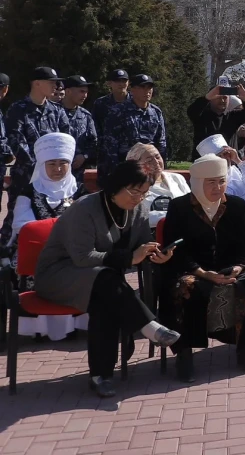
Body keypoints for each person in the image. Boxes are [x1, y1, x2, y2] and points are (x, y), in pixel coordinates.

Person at [33, 160, 180, 397]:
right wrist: (129, 258)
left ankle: (101, 376)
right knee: (106, 280)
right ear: (116, 186)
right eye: (134, 192)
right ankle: (149, 327)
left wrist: (155, 254)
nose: (139, 198)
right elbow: (82, 257)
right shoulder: (84, 209)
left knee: (104, 301)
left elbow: (142, 245)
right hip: (59, 275)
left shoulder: (139, 210)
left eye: (144, 193)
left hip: (103, 281)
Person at [159, 154, 245, 382]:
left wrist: (238, 267)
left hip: (229, 269)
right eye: (211, 182)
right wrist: (202, 272)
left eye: (221, 181)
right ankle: (184, 354)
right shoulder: (180, 207)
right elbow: (176, 249)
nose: (218, 187)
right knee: (186, 287)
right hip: (193, 270)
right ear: (198, 183)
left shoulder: (235, 205)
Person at [3, 67, 71, 244]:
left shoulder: (56, 110)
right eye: (51, 82)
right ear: (37, 84)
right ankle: (8, 252)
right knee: (16, 214)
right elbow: (16, 141)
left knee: (51, 214)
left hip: (53, 176)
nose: (56, 86)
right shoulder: (18, 109)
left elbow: (65, 140)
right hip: (26, 175)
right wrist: (39, 166)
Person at [4, 133, 80, 263]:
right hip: (36, 250)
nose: (58, 169)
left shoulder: (80, 191)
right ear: (42, 165)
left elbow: (86, 223)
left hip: (72, 250)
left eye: (63, 163)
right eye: (52, 164)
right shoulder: (29, 191)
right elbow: (21, 225)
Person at [99, 73, 167, 182]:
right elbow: (110, 143)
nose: (147, 91)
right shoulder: (118, 111)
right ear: (132, 89)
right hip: (126, 167)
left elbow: (161, 142)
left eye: (149, 87)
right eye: (142, 87)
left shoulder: (156, 112)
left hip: (150, 167)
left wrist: (161, 165)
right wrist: (116, 170)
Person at [126, 142, 190, 227]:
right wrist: (171, 215)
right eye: (149, 160)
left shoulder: (177, 178)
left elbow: (192, 205)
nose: (156, 162)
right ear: (136, 164)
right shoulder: (132, 187)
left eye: (157, 157)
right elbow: (134, 218)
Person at [195, 134, 245, 205]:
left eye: (225, 154)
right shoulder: (208, 180)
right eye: (219, 156)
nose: (224, 158)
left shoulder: (234, 171)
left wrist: (237, 160)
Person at [186, 83, 245, 151]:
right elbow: (192, 111)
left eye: (225, 97)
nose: (222, 100)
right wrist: (206, 98)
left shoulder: (232, 117)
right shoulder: (202, 116)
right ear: (211, 99)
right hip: (205, 157)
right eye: (218, 98)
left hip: (229, 157)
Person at [59, 76, 97, 182]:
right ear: (68, 91)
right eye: (81, 91)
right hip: (56, 171)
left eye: (86, 92)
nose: (85, 95)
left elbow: (94, 142)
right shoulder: (52, 112)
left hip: (79, 174)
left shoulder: (85, 115)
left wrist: (84, 156)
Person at [91, 69, 130, 144]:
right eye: (117, 81)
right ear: (109, 83)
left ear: (128, 82)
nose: (121, 84)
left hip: (131, 149)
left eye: (124, 81)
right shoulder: (101, 103)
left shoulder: (136, 101)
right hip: (107, 148)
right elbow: (95, 127)